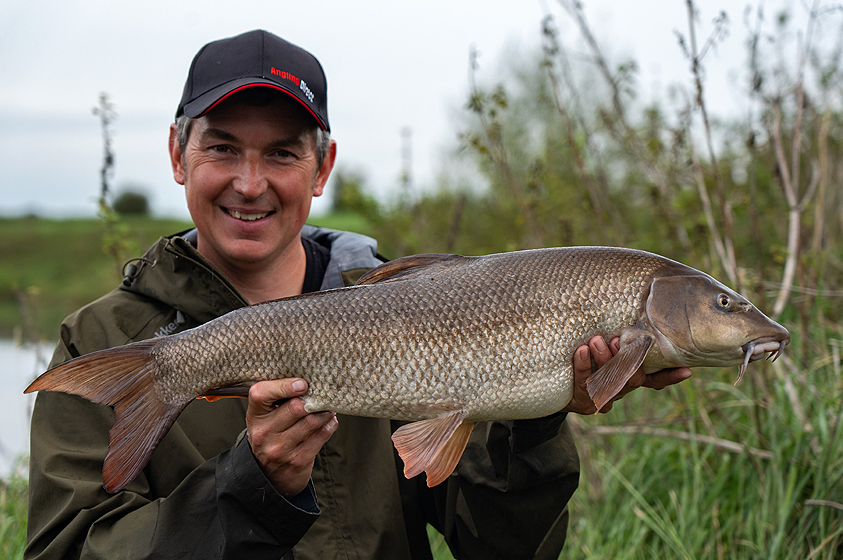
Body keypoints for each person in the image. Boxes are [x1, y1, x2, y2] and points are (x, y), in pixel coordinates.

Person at [25, 29, 691, 559]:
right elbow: (68, 550)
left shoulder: (423, 311)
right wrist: (250, 487)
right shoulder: (100, 340)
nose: (250, 183)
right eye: (223, 149)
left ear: (323, 168)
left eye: (282, 154)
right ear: (178, 156)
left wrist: (537, 417)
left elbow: (505, 548)